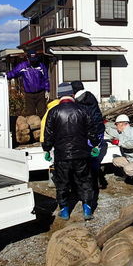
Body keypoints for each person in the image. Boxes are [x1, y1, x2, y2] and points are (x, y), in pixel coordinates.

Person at [42, 82, 99, 221]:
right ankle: (87, 209)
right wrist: (96, 145)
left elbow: (48, 134)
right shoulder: (83, 110)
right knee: (85, 180)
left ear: (59, 96)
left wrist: (47, 149)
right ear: (72, 94)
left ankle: (65, 210)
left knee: (62, 183)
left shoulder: (53, 112)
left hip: (62, 155)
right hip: (81, 153)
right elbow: (92, 131)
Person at [71, 81, 107, 192]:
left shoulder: (78, 103)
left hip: (89, 133)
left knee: (86, 159)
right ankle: (98, 181)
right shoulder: (90, 97)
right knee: (95, 157)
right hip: (99, 131)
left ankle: (89, 184)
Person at [105, 114, 133, 191]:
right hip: (131, 159)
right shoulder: (122, 132)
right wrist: (105, 124)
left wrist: (118, 142)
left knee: (127, 168)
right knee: (116, 161)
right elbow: (112, 132)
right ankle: (126, 175)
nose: (116, 126)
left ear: (122, 124)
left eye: (117, 124)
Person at [6, 50, 50, 118]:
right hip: (29, 94)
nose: (33, 61)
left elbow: (46, 79)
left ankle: (43, 127)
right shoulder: (23, 66)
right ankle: (34, 128)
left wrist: (47, 90)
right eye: (31, 60)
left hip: (41, 93)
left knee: (42, 113)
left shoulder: (41, 66)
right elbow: (13, 73)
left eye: (34, 59)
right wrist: (6, 76)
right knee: (30, 114)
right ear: (28, 58)